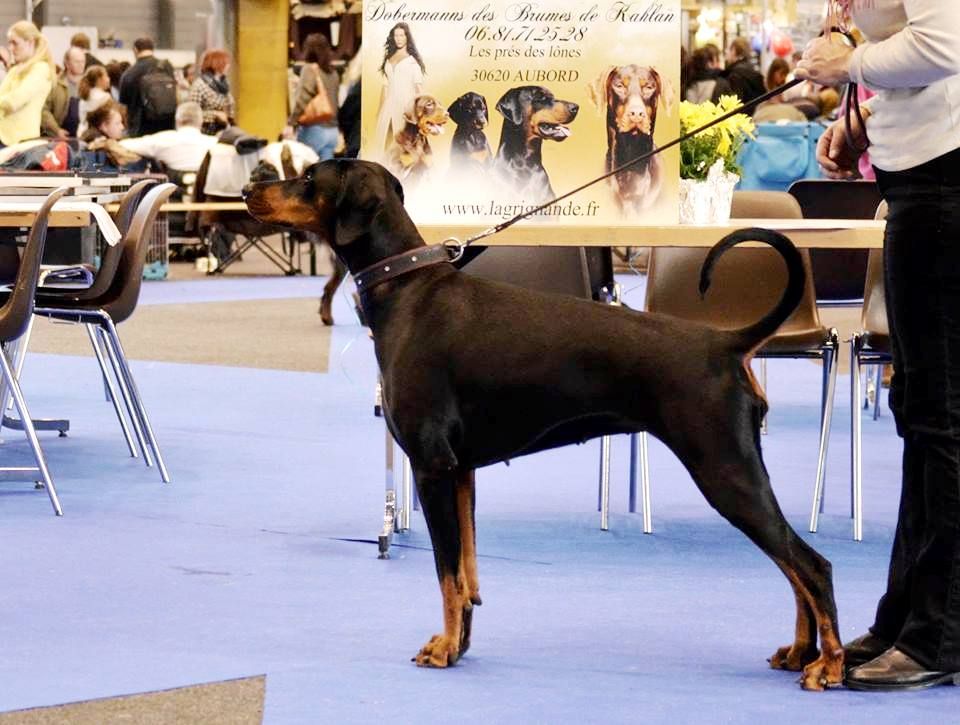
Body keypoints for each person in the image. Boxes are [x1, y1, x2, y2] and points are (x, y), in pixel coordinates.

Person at [796, 0, 960, 692]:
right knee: (921, 410)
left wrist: (850, 66)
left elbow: (948, 42)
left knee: (942, 417)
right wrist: (858, 124)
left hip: (945, 186)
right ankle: (906, 617)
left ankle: (939, 632)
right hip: (916, 180)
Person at [284, 33, 340, 161]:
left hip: (315, 130)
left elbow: (303, 98)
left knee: (304, 171)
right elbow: (335, 102)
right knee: (326, 176)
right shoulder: (334, 73)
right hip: (332, 132)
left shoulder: (309, 69)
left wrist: (291, 123)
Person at [119, 101, 217, 172]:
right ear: (201, 122)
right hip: (205, 197)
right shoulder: (215, 144)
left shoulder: (163, 139)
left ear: (177, 120)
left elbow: (124, 145)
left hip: (172, 195)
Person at [0, 21, 54, 148]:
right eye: (9, 43)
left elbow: (14, 101)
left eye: (15, 43)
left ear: (30, 42)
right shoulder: (14, 71)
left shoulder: (41, 69)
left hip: (19, 143)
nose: (11, 48)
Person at [373, 22, 425, 154]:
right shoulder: (388, 59)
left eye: (402, 35)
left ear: (407, 37)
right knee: (384, 144)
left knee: (403, 148)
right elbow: (385, 88)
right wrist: (379, 113)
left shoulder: (413, 63)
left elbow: (419, 91)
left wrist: (420, 115)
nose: (399, 38)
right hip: (388, 108)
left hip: (405, 109)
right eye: (396, 35)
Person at [118, 37, 176, 136]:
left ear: (135, 50)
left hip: (140, 129)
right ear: (152, 49)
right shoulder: (166, 67)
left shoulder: (129, 74)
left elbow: (123, 106)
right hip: (167, 127)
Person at [41, 45, 85, 139]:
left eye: (83, 61)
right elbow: (44, 110)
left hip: (83, 137)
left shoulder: (89, 85)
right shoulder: (55, 84)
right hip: (60, 137)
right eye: (77, 61)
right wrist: (56, 130)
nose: (81, 64)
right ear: (67, 63)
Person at [189, 49, 235, 135]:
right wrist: (215, 115)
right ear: (217, 64)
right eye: (225, 63)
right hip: (206, 133)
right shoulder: (200, 85)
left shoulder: (224, 84)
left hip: (224, 131)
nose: (228, 66)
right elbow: (193, 114)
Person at [723, 37, 766, 114]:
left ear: (734, 50)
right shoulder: (752, 69)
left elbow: (735, 102)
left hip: (741, 119)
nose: (726, 52)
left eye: (729, 49)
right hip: (754, 115)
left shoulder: (735, 74)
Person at [77, 64, 112, 137]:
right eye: (106, 76)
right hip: (98, 135)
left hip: (82, 133)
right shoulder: (105, 97)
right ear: (99, 80)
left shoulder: (84, 97)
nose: (109, 79)